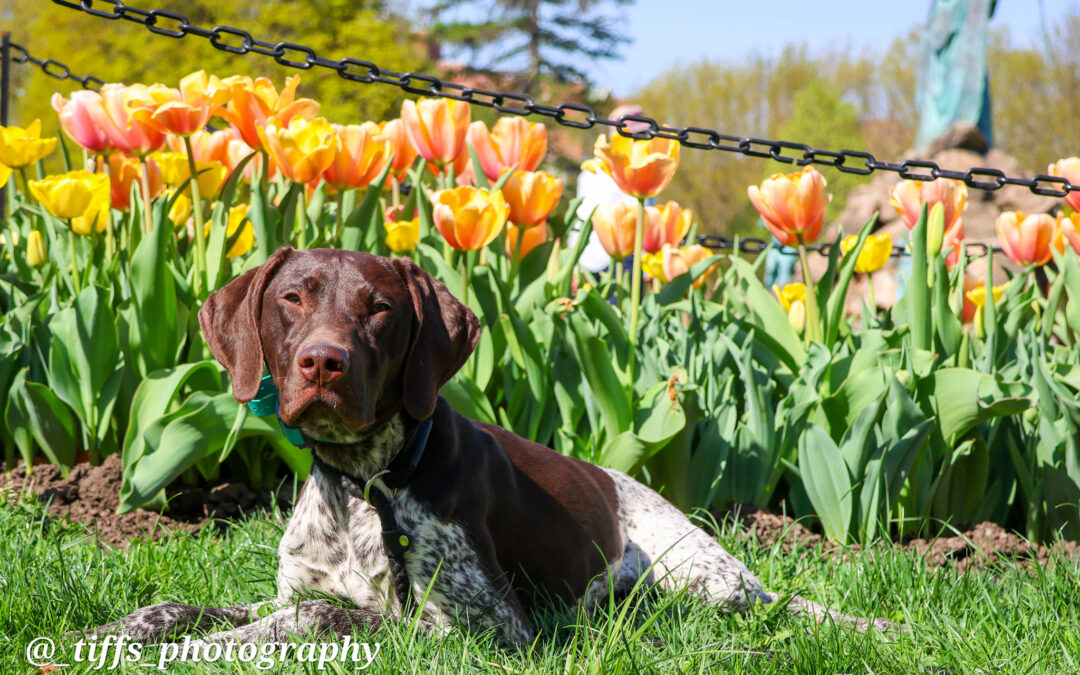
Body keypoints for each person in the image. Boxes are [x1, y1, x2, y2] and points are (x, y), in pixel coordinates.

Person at [571, 104, 656, 274]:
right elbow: (583, 219)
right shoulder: (596, 172)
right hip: (597, 258)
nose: (640, 142)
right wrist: (572, 263)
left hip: (632, 258)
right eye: (634, 137)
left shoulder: (650, 170)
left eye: (643, 136)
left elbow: (648, 216)